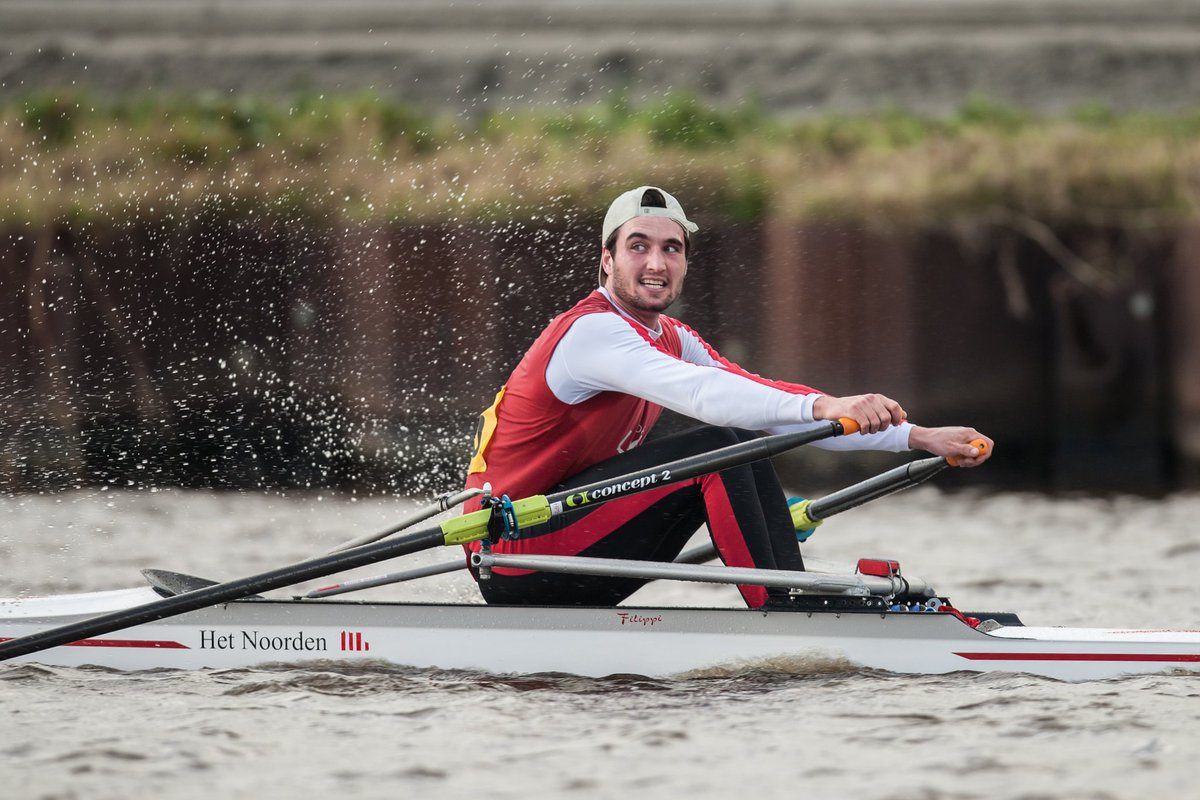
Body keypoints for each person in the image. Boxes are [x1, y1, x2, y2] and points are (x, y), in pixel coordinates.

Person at [463, 186, 992, 608]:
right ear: (607, 260)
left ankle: (788, 595)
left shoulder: (673, 336)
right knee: (720, 445)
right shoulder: (591, 332)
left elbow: (766, 402)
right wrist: (828, 406)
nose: (656, 263)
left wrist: (918, 437)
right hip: (512, 552)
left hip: (573, 542)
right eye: (638, 246)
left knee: (740, 442)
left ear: (685, 263)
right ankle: (786, 607)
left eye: (671, 249)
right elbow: (705, 395)